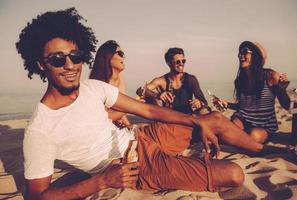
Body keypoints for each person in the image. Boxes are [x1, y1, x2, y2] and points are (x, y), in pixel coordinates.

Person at [16, 8, 268, 200]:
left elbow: (147, 110)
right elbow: (39, 196)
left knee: (211, 119)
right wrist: (101, 181)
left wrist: (195, 121)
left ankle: (260, 151)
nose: (70, 65)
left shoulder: (93, 88)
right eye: (58, 59)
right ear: (41, 64)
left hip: (142, 136)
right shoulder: (40, 129)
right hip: (135, 166)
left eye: (75, 56)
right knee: (234, 174)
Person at [221, 41, 290, 143]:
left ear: (256, 56)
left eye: (245, 52)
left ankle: (242, 137)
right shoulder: (239, 80)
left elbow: (286, 105)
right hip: (243, 120)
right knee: (233, 126)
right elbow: (243, 107)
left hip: (264, 126)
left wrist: (282, 89)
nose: (241, 55)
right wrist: (227, 104)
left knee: (253, 136)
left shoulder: (271, 76)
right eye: (239, 53)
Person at [136, 47, 210, 115]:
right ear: (169, 63)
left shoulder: (191, 79)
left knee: (205, 111)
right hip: (169, 117)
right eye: (178, 62)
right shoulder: (162, 80)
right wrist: (157, 95)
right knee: (154, 101)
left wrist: (199, 103)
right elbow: (140, 90)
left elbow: (203, 101)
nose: (181, 64)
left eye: (183, 61)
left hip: (188, 115)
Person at [89, 40, 131, 128]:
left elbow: (121, 111)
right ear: (108, 57)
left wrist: (129, 126)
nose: (123, 58)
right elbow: (100, 118)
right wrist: (130, 107)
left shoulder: (120, 78)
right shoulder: (98, 85)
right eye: (120, 53)